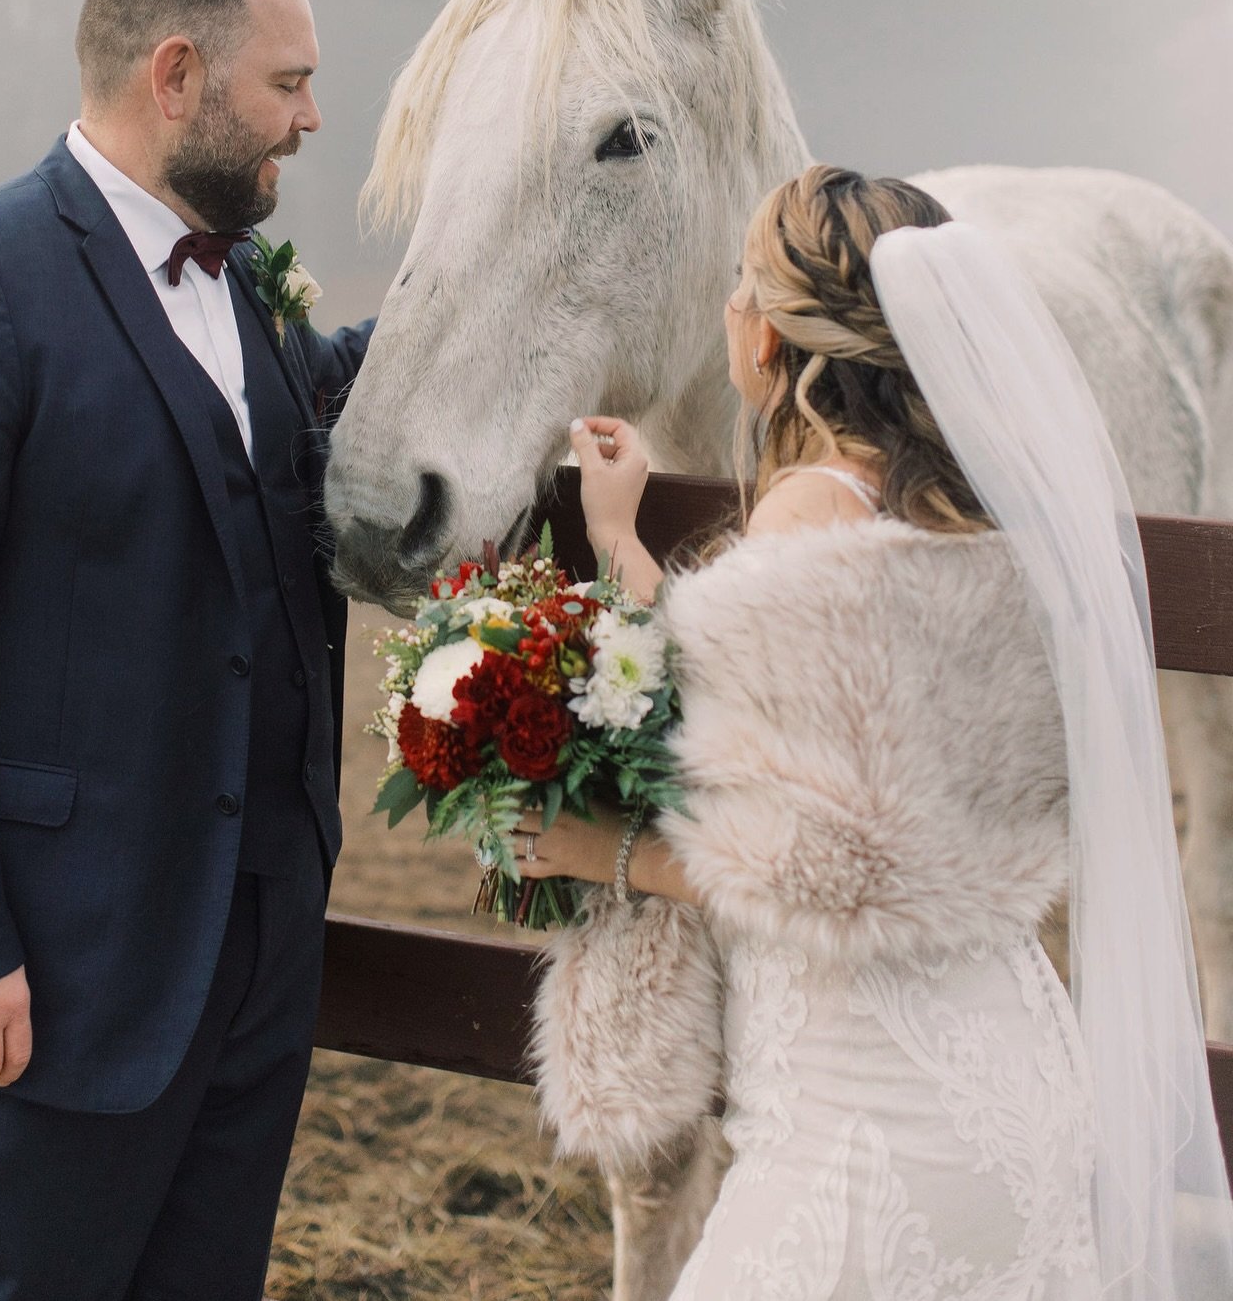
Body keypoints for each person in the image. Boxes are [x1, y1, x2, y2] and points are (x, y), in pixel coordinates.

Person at [520, 163, 1233, 1298]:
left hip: (867, 1120)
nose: (729, 311)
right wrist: (622, 540)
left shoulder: (809, 512)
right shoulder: (990, 517)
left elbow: (825, 865)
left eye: (740, 288)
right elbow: (784, 696)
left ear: (768, 343)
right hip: (1019, 1082)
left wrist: (595, 849)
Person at [0, 0, 373, 1301]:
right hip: (38, 975)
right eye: (288, 82)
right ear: (177, 73)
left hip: (250, 962)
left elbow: (296, 426)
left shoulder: (247, 285)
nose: (312, 115)